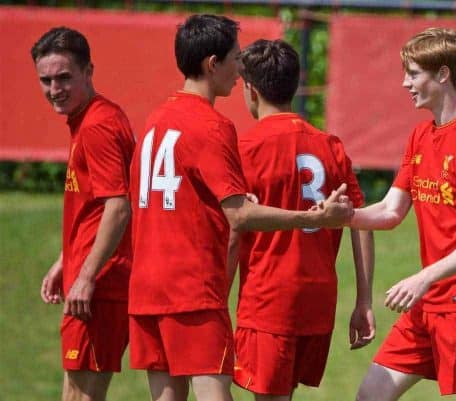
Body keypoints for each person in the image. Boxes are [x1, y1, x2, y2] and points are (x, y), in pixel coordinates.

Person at [127, 15, 353, 401]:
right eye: (234, 59)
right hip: (191, 290)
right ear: (212, 64)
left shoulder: (154, 120)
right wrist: (314, 217)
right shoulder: (213, 126)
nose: (239, 70)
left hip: (146, 286)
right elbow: (240, 216)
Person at [349, 28, 456, 401]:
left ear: (442, 74)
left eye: (413, 73)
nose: (404, 83)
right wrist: (341, 216)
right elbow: (391, 211)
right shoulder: (420, 136)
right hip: (429, 304)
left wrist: (423, 278)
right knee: (370, 396)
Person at [228, 39, 375, 401]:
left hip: (268, 300)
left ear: (251, 90)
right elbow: (362, 221)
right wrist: (364, 301)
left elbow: (232, 226)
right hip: (318, 300)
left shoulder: (244, 149)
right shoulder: (330, 145)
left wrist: (217, 302)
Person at [32, 27, 135, 401]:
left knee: (79, 396)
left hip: (100, 288)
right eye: (45, 80)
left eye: (64, 77)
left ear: (88, 71)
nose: (54, 89)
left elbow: (118, 207)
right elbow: (95, 205)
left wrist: (86, 276)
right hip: (97, 280)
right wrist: (67, 259)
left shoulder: (98, 126)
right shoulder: (92, 118)